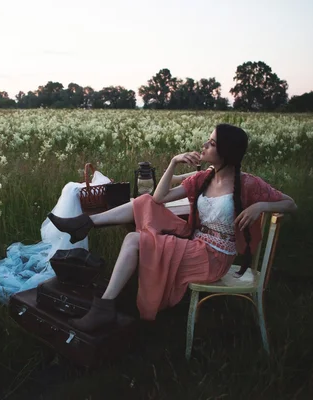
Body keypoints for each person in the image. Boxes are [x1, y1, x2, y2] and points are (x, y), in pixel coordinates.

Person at [47, 124, 298, 332]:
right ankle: (86, 224)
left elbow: (291, 204)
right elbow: (158, 198)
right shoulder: (203, 177)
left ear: (227, 151)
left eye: (211, 143)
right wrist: (173, 162)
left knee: (135, 240)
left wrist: (260, 206)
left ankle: (104, 307)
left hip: (214, 258)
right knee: (143, 201)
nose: (204, 145)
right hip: (195, 241)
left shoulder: (248, 184)